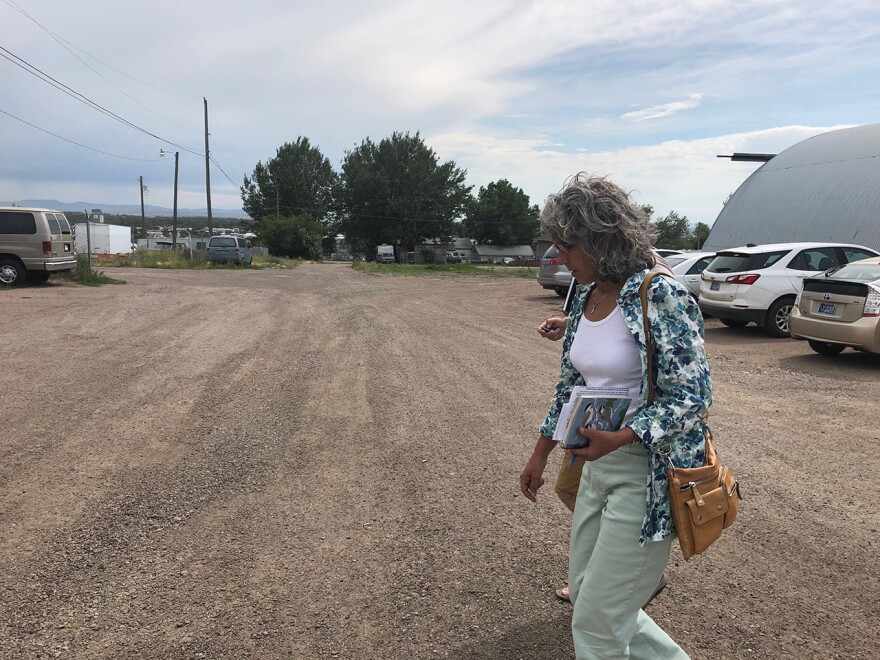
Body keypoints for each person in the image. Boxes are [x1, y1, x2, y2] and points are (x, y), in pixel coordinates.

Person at [520, 174, 711, 659]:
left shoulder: (659, 293)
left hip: (645, 477)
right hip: (593, 468)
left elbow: (693, 395)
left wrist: (624, 435)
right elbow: (571, 384)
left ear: (601, 239)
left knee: (598, 625)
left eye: (566, 246)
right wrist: (540, 453)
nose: (559, 257)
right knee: (589, 598)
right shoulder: (586, 295)